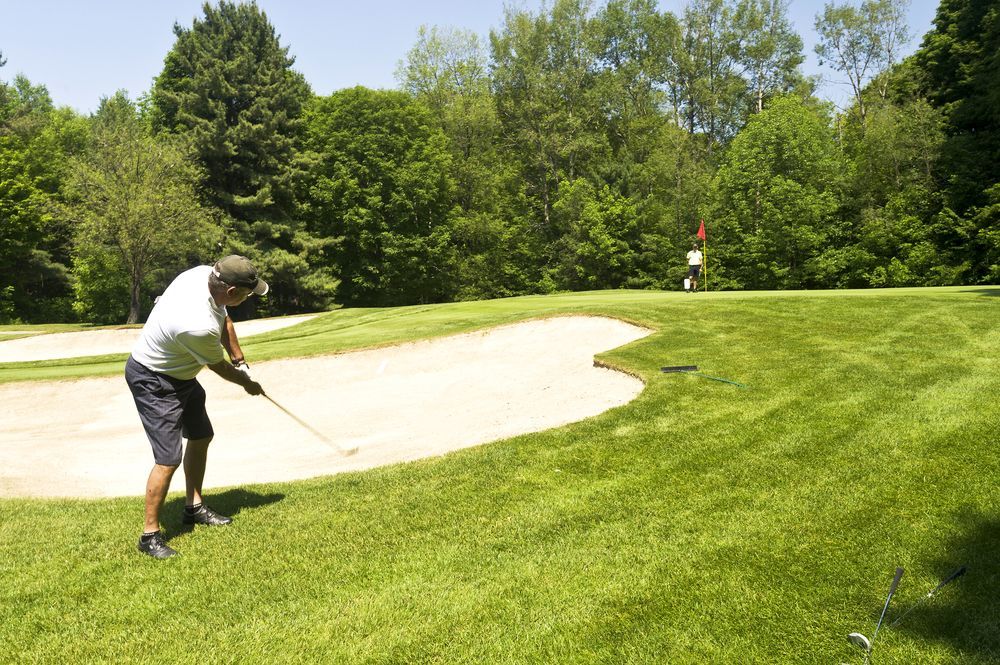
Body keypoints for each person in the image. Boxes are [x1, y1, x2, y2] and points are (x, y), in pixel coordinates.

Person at [125, 255, 268, 559]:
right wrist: (247, 383)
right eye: (246, 293)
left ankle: (194, 507)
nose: (247, 298)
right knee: (168, 458)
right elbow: (217, 366)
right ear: (231, 290)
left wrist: (240, 359)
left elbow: (224, 318)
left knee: (201, 434)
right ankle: (149, 536)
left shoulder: (205, 275)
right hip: (154, 379)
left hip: (181, 375)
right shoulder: (196, 325)